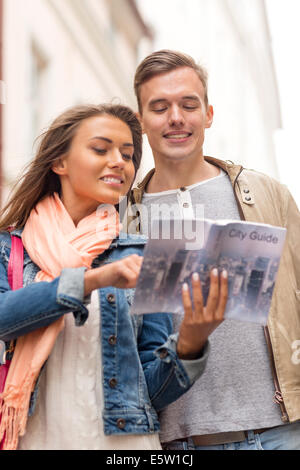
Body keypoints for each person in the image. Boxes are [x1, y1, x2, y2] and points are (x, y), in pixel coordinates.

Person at [0, 103, 228, 450]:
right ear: (59, 162)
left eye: (128, 154)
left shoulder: (145, 254)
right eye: (100, 149)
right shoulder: (9, 248)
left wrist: (190, 343)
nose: (120, 162)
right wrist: (92, 280)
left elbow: (151, 391)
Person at [127, 49, 300, 450]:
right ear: (140, 122)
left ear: (208, 113)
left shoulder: (266, 194)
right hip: (182, 441)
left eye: (188, 104)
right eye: (160, 106)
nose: (176, 117)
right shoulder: (122, 218)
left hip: (284, 431)